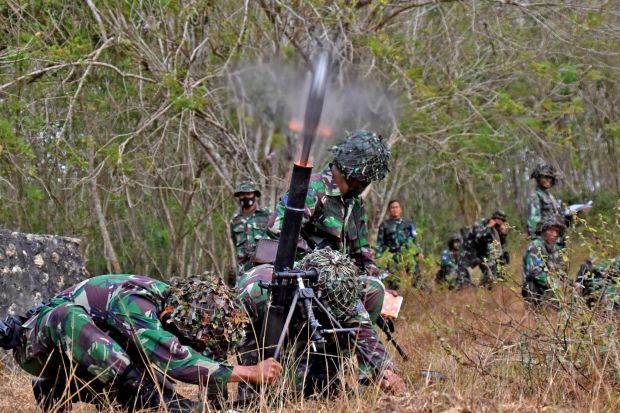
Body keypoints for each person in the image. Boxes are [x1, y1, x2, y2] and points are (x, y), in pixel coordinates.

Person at [0, 274, 282, 412]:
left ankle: (58, 388)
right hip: (37, 348)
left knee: (152, 386)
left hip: (80, 358)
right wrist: (249, 372)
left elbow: (196, 359)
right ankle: (54, 381)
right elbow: (176, 359)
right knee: (140, 386)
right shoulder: (137, 299)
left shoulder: (173, 306)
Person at [236, 248, 406, 400]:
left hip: (308, 320)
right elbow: (230, 341)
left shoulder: (342, 287)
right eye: (332, 306)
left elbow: (362, 329)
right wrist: (253, 373)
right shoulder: (256, 291)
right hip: (266, 321)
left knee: (303, 389)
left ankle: (322, 380)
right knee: (258, 397)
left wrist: (384, 370)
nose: (338, 312)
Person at [269, 130, 391, 323]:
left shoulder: (354, 203)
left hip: (338, 281)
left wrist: (377, 280)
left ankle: (342, 350)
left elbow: (361, 251)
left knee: (374, 290)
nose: (366, 184)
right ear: (355, 174)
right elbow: (278, 228)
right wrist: (318, 262)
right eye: (365, 178)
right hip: (304, 277)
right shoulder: (314, 188)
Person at [375, 200, 426, 291]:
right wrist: (379, 257)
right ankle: (395, 303)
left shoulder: (408, 223)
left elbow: (414, 239)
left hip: (409, 255)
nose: (394, 209)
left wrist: (419, 252)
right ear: (389, 210)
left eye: (396, 207)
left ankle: (423, 301)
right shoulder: (385, 225)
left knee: (417, 280)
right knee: (393, 283)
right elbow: (379, 243)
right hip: (393, 257)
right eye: (392, 208)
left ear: (400, 209)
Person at [229, 180, 271, 285]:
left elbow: (275, 238)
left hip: (263, 264)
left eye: (248, 194)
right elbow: (235, 242)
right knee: (240, 296)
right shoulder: (235, 220)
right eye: (242, 194)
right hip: (243, 267)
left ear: (255, 195)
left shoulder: (267, 215)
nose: (245, 197)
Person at [522, 217, 567, 309]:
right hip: (535, 287)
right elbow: (534, 271)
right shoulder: (536, 246)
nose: (554, 234)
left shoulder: (556, 249)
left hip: (550, 287)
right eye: (550, 230)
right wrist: (554, 282)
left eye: (556, 231)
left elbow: (560, 270)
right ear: (543, 231)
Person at [527, 162, 570, 246]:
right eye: (545, 177)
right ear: (538, 178)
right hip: (545, 239)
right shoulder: (535, 195)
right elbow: (533, 220)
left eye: (550, 177)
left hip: (556, 238)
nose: (548, 179)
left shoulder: (550, 196)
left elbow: (556, 216)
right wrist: (537, 241)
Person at [470, 210, 509, 288]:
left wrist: (503, 234)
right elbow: (478, 237)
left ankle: (493, 289)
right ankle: (480, 289)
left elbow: (501, 245)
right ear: (496, 218)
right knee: (489, 272)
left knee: (499, 274)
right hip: (479, 254)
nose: (502, 222)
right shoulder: (482, 223)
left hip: (493, 256)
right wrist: (489, 227)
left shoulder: (498, 228)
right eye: (501, 220)